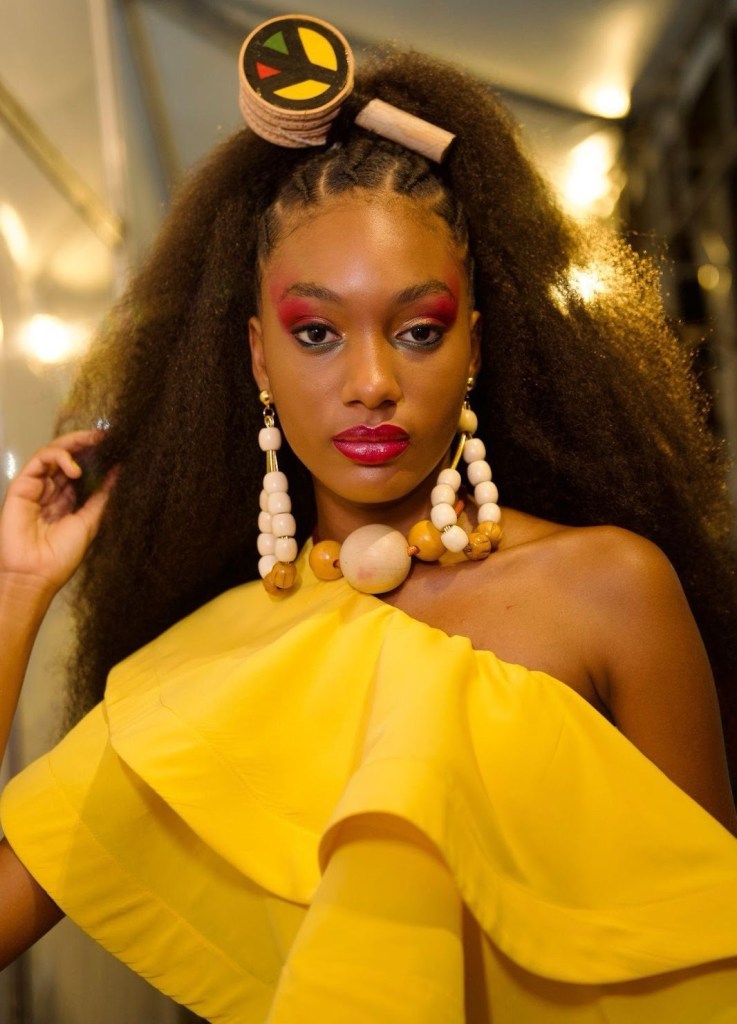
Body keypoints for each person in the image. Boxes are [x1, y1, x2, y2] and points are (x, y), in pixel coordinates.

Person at [1, 21, 737, 1023]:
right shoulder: (205, 668)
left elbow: (710, 955)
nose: (372, 381)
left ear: (472, 346)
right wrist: (17, 591)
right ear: (258, 359)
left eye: (417, 329)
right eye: (315, 332)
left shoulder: (610, 589)